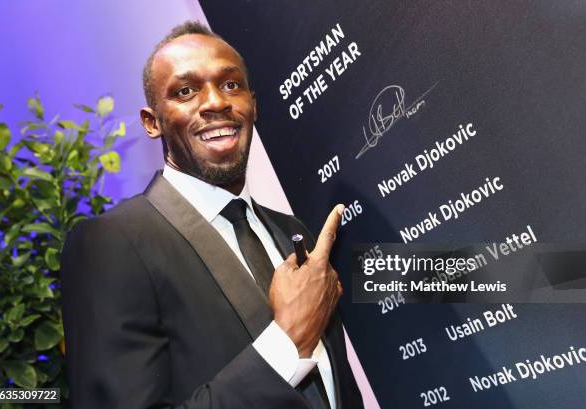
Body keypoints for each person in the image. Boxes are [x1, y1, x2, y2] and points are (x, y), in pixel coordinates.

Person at [61, 21, 364, 409]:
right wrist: (286, 342)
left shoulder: (293, 232)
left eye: (231, 85)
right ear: (152, 122)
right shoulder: (110, 244)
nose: (216, 102)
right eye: (185, 91)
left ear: (253, 104)